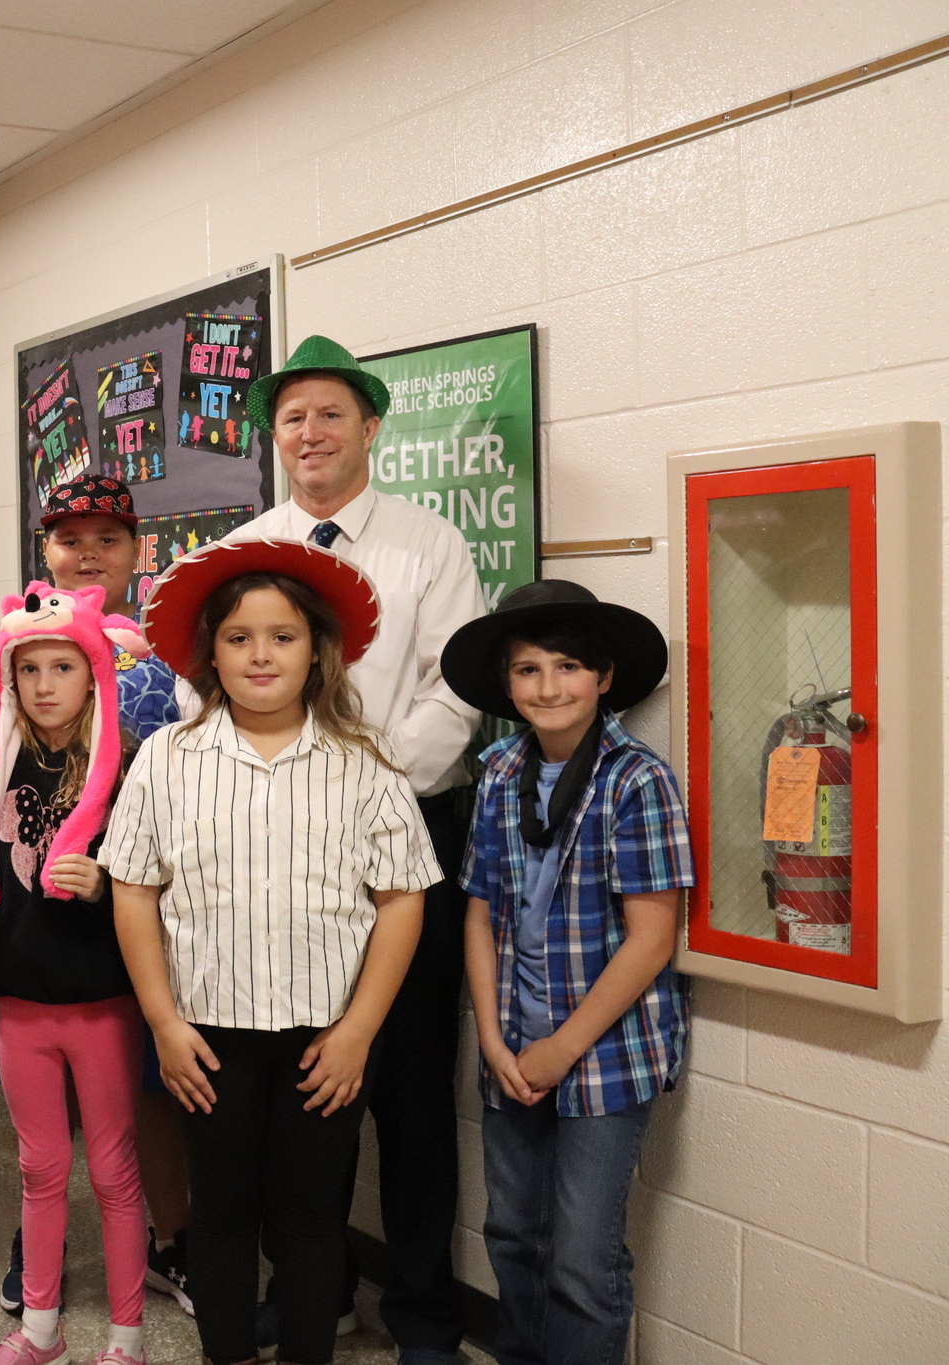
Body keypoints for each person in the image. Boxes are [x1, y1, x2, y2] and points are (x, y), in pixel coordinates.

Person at [104, 539, 440, 1365]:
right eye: (240, 637)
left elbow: (402, 899)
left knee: (311, 1217)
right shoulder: (166, 761)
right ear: (210, 653)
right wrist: (162, 1021)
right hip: (206, 1039)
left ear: (316, 649)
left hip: (325, 1041)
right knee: (220, 1215)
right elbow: (134, 889)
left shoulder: (367, 767)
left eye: (282, 636)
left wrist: (360, 1030)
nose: (261, 653)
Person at [225, 335, 485, 1364]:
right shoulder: (247, 550)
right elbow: (228, 687)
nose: (310, 433)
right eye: (292, 418)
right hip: (281, 841)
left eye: (329, 415)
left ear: (369, 427)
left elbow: (455, 689)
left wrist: (362, 794)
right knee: (302, 1081)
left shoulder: (429, 543)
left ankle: (421, 1310)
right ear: (274, 438)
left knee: (414, 1087)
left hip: (410, 833)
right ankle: (312, 1292)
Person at [0, 474, 192, 1316]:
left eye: (107, 538)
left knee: (147, 1095)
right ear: (45, 548)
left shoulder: (164, 667)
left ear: (135, 551)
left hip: (134, 930)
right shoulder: (7, 655)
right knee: (40, 1127)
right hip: (22, 936)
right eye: (70, 538)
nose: (87, 552)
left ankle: (169, 1241)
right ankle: (32, 1249)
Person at [440, 581, 692, 1365]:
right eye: (527, 670)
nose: (548, 687)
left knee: (583, 1260)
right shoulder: (500, 768)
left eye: (568, 667)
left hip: (605, 1057)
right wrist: (493, 1035)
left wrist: (563, 1049)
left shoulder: (635, 780)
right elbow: (479, 913)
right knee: (512, 1232)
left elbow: (652, 938)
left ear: (605, 677)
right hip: (512, 1045)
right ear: (508, 685)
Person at [0, 583, 151, 1365]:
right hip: (20, 1002)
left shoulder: (126, 767)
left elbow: (150, 890)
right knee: (38, 1166)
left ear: (93, 671)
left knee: (111, 1168)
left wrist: (104, 888)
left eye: (61, 666)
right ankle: (40, 1331)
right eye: (28, 669)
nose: (44, 684)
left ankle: (126, 1339)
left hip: (100, 1001)